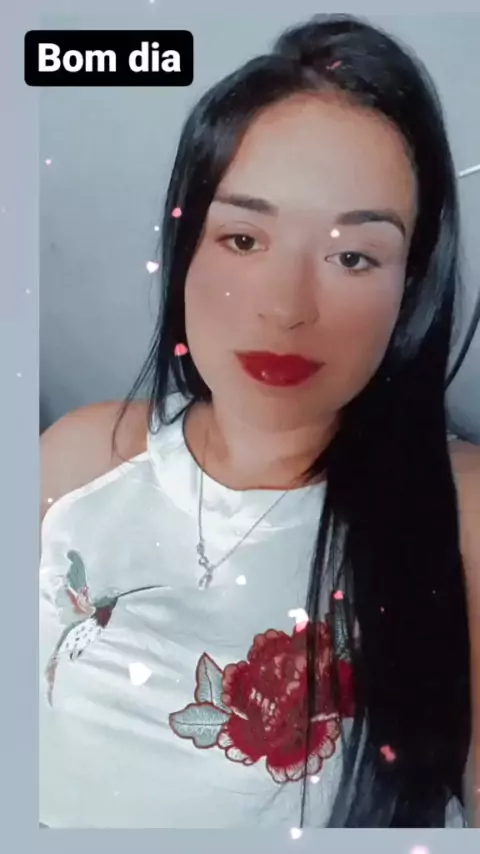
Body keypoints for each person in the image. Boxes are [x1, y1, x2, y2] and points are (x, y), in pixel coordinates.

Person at [39, 13, 480, 829]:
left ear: (411, 287)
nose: (285, 308)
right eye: (244, 239)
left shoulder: (461, 511)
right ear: (188, 250)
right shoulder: (76, 463)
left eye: (353, 257)